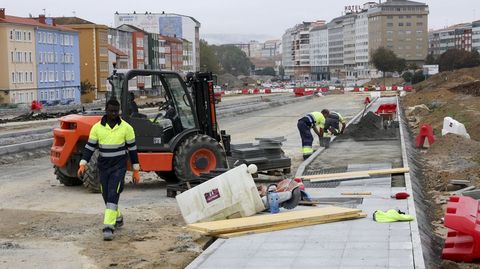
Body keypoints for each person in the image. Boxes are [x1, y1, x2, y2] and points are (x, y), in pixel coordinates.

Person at [77, 98, 140, 241]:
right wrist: (83, 163)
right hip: (103, 167)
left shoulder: (126, 128)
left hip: (119, 167)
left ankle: (108, 226)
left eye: (115, 111)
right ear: (106, 110)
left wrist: (136, 170)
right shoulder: (97, 128)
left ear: (119, 112)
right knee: (106, 195)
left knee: (113, 192)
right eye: (110, 111)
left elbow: (133, 150)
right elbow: (89, 148)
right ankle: (117, 217)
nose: (113, 114)